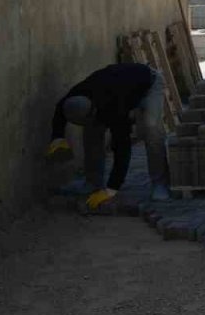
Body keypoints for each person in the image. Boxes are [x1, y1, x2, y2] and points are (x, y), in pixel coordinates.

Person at [45, 63, 170, 208]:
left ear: (93, 109)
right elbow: (60, 110)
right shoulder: (76, 94)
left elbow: (122, 146)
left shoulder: (115, 105)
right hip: (120, 84)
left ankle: (159, 184)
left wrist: (111, 189)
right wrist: (57, 137)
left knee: (151, 127)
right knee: (91, 131)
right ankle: (92, 182)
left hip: (149, 83)